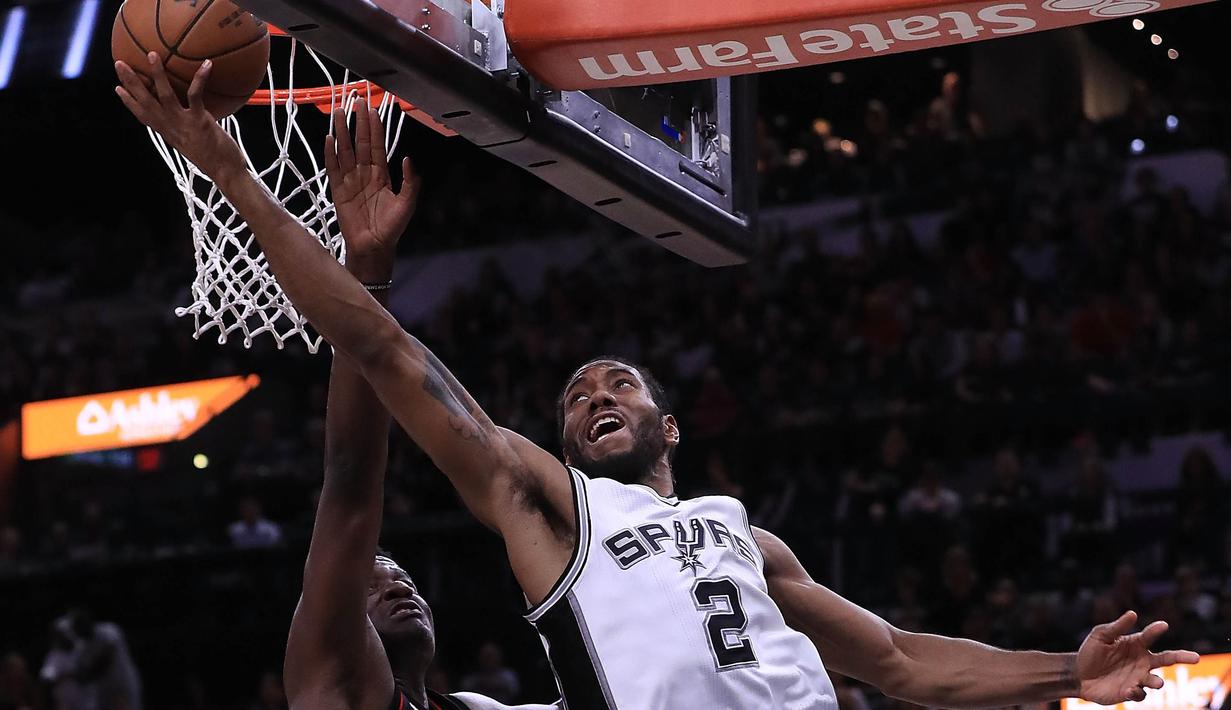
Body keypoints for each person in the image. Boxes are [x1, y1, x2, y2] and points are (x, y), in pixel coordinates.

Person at [116, 55, 1201, 710]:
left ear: (666, 421)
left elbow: (904, 660)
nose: (591, 392)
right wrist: (235, 176)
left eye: (617, 381)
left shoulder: (747, 537)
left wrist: (1064, 668)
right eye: (575, 392)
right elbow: (387, 355)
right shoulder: (549, 504)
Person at [266, 100, 557, 710]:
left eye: (397, 574)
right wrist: (367, 267)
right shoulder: (334, 684)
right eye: (371, 583)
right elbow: (349, 480)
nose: (396, 583)